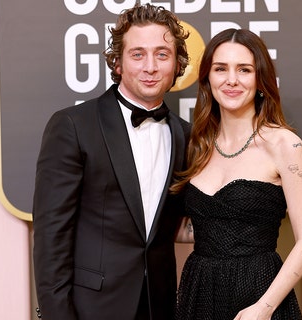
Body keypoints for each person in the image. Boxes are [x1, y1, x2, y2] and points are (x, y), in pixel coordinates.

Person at [31, 3, 190, 320]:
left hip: (159, 307)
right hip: (91, 309)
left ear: (177, 64)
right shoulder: (74, 125)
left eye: (162, 54)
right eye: (137, 54)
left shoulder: (185, 135)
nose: (150, 67)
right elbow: (51, 237)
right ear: (117, 62)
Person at [171, 28, 302, 320]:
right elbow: (200, 226)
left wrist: (263, 309)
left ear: (260, 79)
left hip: (259, 293)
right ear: (207, 79)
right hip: (199, 292)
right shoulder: (196, 145)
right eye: (220, 69)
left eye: (244, 70)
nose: (231, 80)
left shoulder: (284, 144)